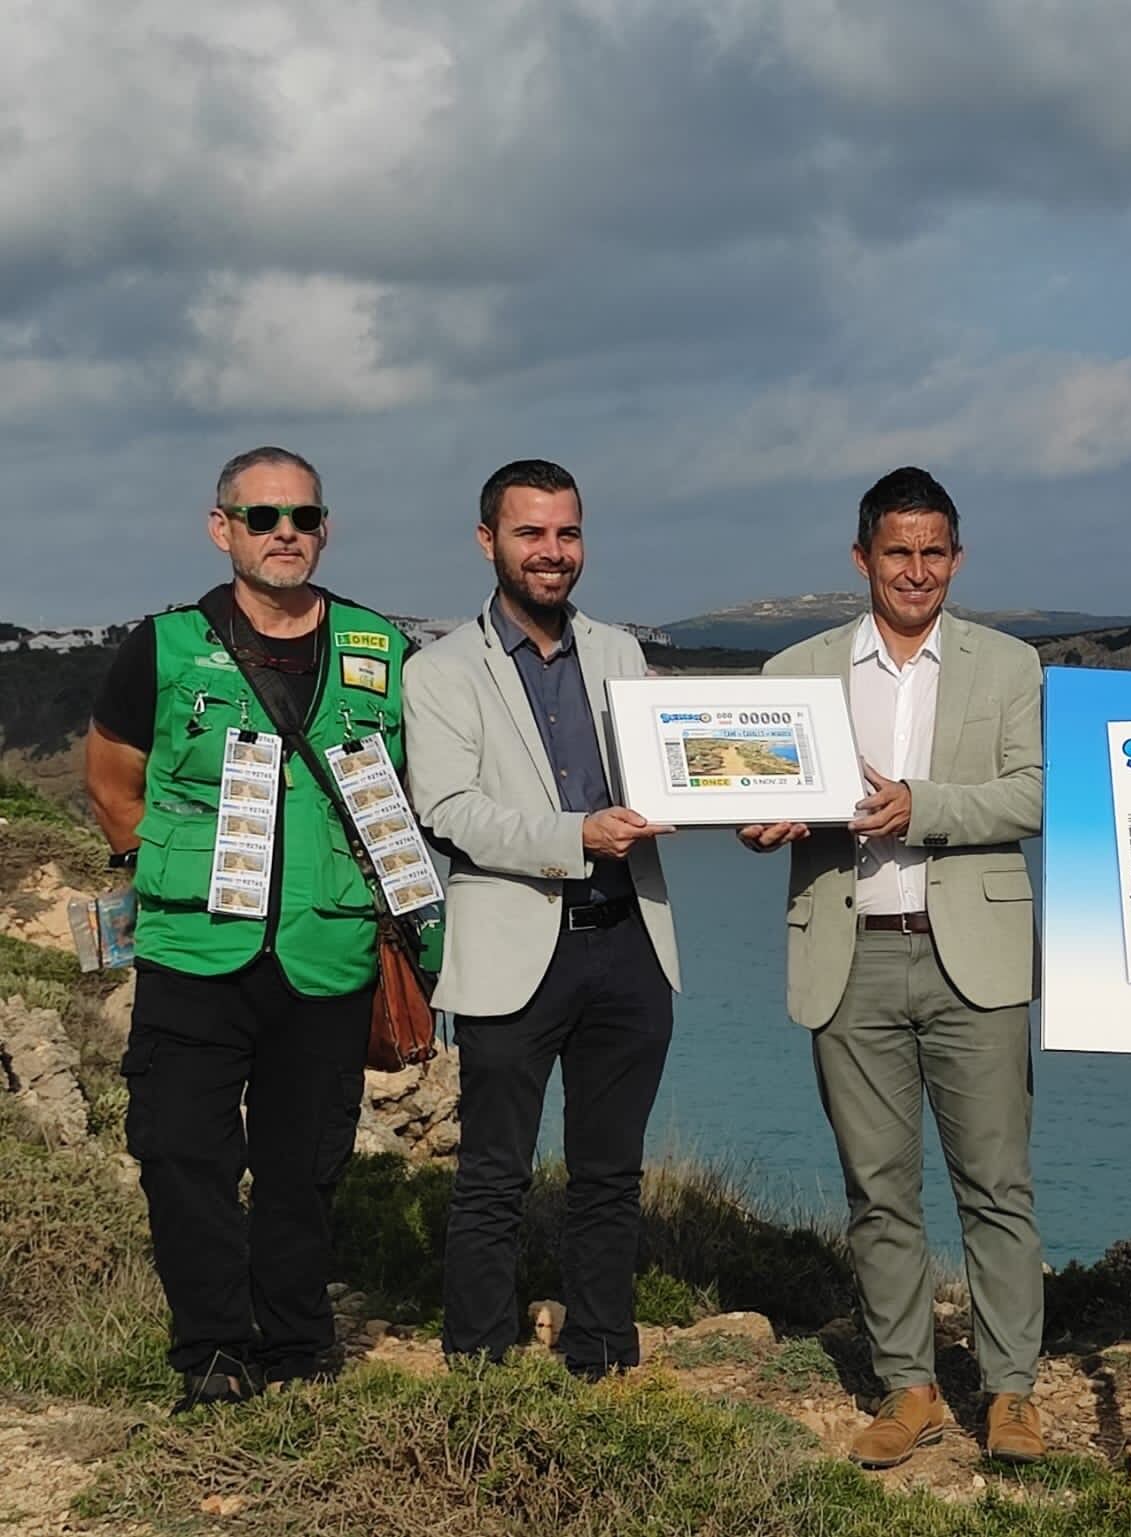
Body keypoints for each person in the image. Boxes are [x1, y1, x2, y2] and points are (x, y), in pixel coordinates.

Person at [84, 446, 413, 1410]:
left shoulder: (380, 646)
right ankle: (215, 1351)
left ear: (325, 528)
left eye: (302, 518)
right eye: (262, 516)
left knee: (306, 1162)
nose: (284, 534)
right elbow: (112, 787)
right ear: (220, 526)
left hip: (326, 947)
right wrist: (181, 868)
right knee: (183, 1151)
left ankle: (299, 1343)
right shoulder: (165, 644)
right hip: (196, 947)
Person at [739, 466, 1047, 1468]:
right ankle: (906, 1386)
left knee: (994, 1184)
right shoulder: (792, 672)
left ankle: (1010, 1395)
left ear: (955, 558)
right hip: (850, 955)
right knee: (876, 1190)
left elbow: (1029, 797)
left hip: (974, 962)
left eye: (933, 552)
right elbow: (752, 797)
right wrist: (753, 825)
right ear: (861, 558)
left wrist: (923, 805)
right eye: (896, 552)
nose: (915, 571)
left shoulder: (1008, 666)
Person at [403, 459, 680, 1379]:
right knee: (494, 1175)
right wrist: (577, 835)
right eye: (531, 534)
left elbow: (663, 773)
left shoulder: (620, 652)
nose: (551, 553)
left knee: (610, 1175)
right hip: (513, 949)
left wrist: (737, 800)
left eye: (566, 533)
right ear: (489, 542)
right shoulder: (439, 672)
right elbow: (449, 808)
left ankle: (602, 1351)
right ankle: (479, 1361)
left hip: (629, 940)